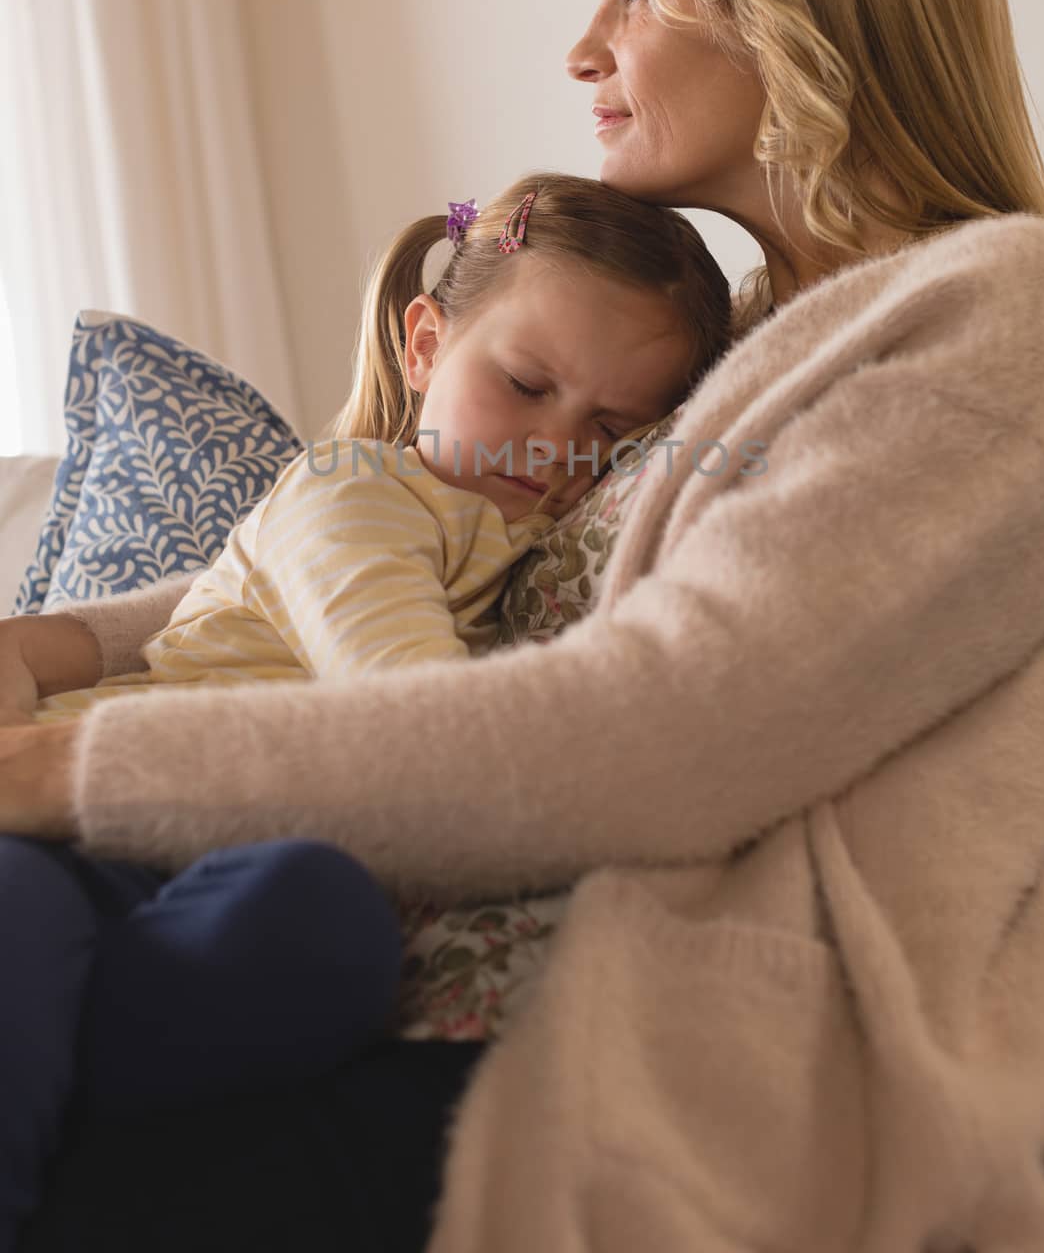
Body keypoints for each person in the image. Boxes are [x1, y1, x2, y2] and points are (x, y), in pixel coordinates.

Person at [3, 0, 1044, 1252]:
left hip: (601, 1073)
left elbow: (654, 737)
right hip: (402, 989)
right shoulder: (737, 337)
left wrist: (53, 775)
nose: (582, 47)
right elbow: (385, 532)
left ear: (796, 1)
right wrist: (56, 648)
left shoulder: (994, 320)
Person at [1, 173, 732, 1250]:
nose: (554, 447)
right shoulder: (353, 490)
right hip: (86, 825)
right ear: (424, 344)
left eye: (611, 428)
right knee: (20, 920)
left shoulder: (533, 545)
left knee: (326, 922)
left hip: (221, 870)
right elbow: (409, 710)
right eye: (526, 384)